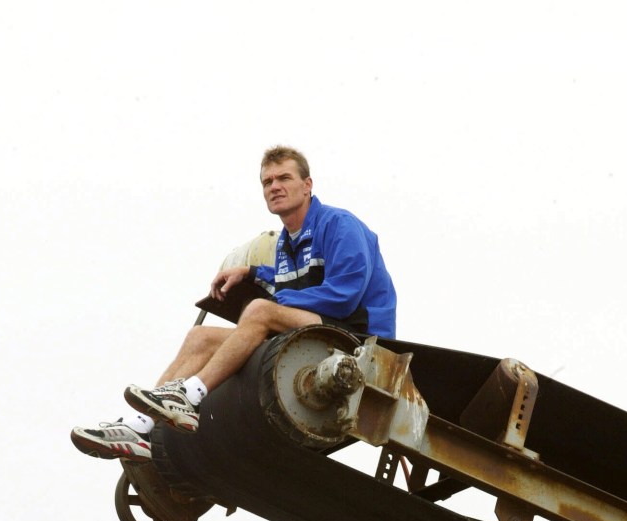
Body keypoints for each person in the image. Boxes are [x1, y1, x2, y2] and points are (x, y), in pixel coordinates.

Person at [71, 146, 397, 461]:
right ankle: (139, 428)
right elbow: (293, 278)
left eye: (284, 178)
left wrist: (275, 301)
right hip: (317, 330)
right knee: (201, 337)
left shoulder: (340, 225)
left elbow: (344, 295)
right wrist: (251, 271)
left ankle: (189, 395)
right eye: (267, 182)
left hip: (359, 340)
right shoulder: (286, 242)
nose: (275, 187)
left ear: (307, 185)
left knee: (259, 310)